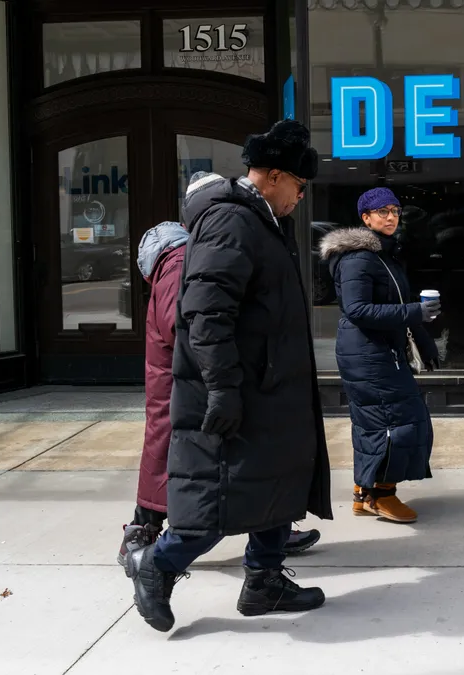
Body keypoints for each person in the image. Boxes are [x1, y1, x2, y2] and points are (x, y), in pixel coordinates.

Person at [124, 119, 332, 633]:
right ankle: (159, 564)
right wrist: (221, 388)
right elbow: (204, 313)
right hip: (238, 389)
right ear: (276, 176)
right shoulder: (231, 222)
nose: (300, 199)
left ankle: (263, 580)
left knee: (277, 480)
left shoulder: (261, 222)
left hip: (269, 388)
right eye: (300, 188)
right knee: (221, 493)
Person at [116, 218, 321, 568]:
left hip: (183, 386)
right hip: (185, 388)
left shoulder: (177, 264)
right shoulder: (180, 265)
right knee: (191, 466)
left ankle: (269, 526)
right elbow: (187, 329)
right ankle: (146, 537)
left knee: (187, 463)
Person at [319, 188, 440, 524]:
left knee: (376, 422)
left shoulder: (385, 255)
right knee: (396, 423)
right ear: (366, 218)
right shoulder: (359, 257)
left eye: (395, 211)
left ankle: (363, 490)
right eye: (382, 211)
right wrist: (417, 311)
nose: (391, 217)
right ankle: (381, 495)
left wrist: (424, 338)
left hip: (381, 350)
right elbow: (358, 309)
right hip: (367, 353)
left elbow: (397, 306)